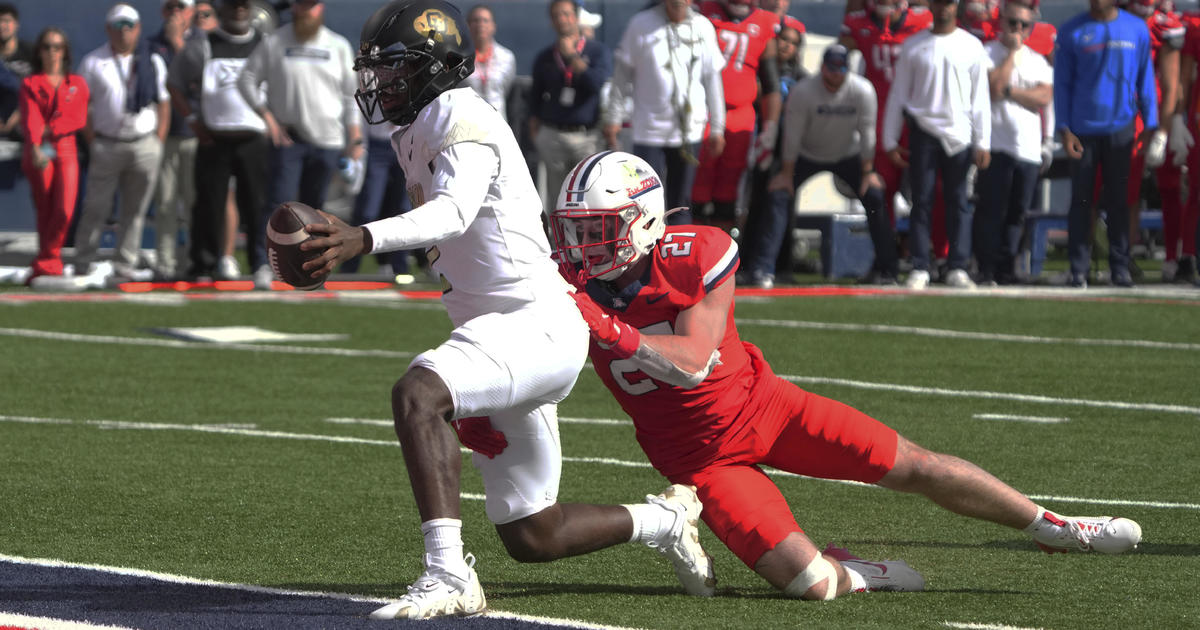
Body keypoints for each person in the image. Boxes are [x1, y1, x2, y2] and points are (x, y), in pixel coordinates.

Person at [541, 150, 1143, 599]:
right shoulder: (564, 285)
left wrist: (603, 323)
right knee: (807, 583)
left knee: (916, 465)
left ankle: (1057, 527)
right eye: (574, 229)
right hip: (701, 461)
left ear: (642, 221)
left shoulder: (697, 251)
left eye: (595, 228)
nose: (579, 245)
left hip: (767, 409)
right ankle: (862, 572)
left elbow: (695, 361)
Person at [296, 0, 713, 619]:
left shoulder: (457, 109)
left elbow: (454, 213)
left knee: (418, 394)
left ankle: (446, 573)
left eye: (392, 67)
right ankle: (664, 520)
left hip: (534, 324)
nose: (380, 82)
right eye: (376, 69)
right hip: (501, 330)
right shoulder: (415, 125)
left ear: (432, 66)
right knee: (533, 533)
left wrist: (363, 237)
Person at [237, 0, 362, 289]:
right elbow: (247, 79)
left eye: (312, 5)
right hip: (289, 140)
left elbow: (349, 96)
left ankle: (311, 272)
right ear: (293, 7)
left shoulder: (337, 45)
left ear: (321, 9)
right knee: (277, 206)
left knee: (316, 214)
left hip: (328, 140)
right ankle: (262, 267)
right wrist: (268, 119)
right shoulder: (275, 42)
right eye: (301, 5)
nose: (306, 11)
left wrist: (354, 136)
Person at [765, 45, 898, 285]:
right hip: (806, 154)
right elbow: (792, 135)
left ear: (848, 69)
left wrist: (868, 172)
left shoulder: (862, 90)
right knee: (779, 196)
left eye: (841, 68)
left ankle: (887, 269)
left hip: (848, 155)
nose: (836, 73)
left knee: (876, 196)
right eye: (831, 68)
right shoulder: (804, 92)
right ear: (822, 67)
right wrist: (786, 173)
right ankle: (766, 268)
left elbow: (868, 133)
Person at [883, 0, 991, 290]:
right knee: (922, 202)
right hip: (923, 132)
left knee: (958, 202)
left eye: (949, 3)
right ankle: (920, 266)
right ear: (931, 5)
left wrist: (984, 141)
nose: (944, 8)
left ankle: (957, 266)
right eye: (939, 2)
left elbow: (980, 98)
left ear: (956, 7)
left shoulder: (972, 46)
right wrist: (890, 138)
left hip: (960, 134)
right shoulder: (913, 45)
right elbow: (898, 94)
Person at [1055, 0, 1158, 288]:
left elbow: (1145, 78)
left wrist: (1150, 124)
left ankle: (1120, 267)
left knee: (1119, 201)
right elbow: (1062, 83)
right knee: (1082, 200)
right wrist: (1064, 128)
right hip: (1082, 129)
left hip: (1122, 128)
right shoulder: (1071, 31)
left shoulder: (1136, 29)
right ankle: (1078, 268)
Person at [169, 0, 269, 281]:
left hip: (254, 139)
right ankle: (203, 265)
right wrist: (191, 120)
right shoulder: (203, 45)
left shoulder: (265, 44)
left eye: (243, 6)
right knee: (208, 205)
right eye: (233, 5)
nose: (239, 10)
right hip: (214, 138)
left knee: (257, 205)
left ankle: (260, 263)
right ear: (221, 9)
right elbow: (174, 82)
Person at [604, 0, 726, 225]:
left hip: (689, 132)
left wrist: (718, 127)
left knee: (681, 203)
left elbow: (712, 81)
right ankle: (648, 257)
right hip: (648, 132)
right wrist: (614, 118)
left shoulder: (703, 27)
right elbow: (622, 77)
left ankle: (678, 257)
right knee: (645, 202)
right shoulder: (640, 24)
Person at [73, 3, 170, 284]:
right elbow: (82, 105)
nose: (124, 31)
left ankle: (124, 263)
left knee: (135, 209)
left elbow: (163, 103)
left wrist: (158, 140)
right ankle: (83, 261)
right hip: (107, 143)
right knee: (96, 207)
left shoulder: (151, 60)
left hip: (144, 144)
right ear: (108, 29)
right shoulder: (93, 62)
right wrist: (93, 139)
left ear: (138, 28)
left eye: (129, 25)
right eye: (118, 25)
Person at [839, 0, 932, 252]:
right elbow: (839, 55)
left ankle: (933, 254)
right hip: (879, 117)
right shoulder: (859, 23)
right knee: (881, 191)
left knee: (928, 191)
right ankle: (885, 257)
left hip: (917, 117)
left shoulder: (923, 21)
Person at [975, 1, 1052, 285]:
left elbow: (1044, 97)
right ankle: (986, 268)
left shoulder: (1038, 60)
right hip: (996, 146)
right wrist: (1010, 56)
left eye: (1024, 25)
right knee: (992, 211)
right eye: (1013, 23)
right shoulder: (986, 54)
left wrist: (1010, 91)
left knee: (1017, 215)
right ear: (1002, 23)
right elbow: (994, 89)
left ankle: (1007, 268)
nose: (1018, 30)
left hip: (1028, 150)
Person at [690, 0, 781, 233]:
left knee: (730, 188)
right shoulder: (702, 11)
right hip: (702, 111)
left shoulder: (764, 22)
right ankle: (690, 250)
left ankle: (722, 251)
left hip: (741, 113)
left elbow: (771, 84)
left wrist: (770, 129)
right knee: (695, 184)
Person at [18, 27, 89, 285]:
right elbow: (31, 118)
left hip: (66, 146)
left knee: (64, 209)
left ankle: (47, 259)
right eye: (47, 46)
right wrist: (36, 145)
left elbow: (77, 118)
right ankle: (49, 262)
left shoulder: (77, 84)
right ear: (39, 51)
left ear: (65, 51)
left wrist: (52, 129)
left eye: (57, 46)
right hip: (42, 148)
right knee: (46, 207)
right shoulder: (31, 84)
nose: (52, 52)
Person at [528, 0, 612, 212]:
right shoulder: (545, 57)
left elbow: (596, 84)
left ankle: (586, 242)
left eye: (566, 14)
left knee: (588, 193)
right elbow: (535, 95)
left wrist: (572, 57)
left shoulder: (596, 51)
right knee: (557, 196)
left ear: (576, 18)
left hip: (586, 136)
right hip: (553, 135)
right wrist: (535, 129)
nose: (561, 19)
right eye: (556, 15)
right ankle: (558, 243)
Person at [149, 0, 198, 280]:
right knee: (165, 204)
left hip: (194, 135)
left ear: (190, 12)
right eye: (170, 8)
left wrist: (177, 43)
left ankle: (192, 261)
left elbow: (196, 81)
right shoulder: (151, 44)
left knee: (193, 204)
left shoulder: (201, 41)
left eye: (181, 7)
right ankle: (165, 264)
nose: (175, 13)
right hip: (165, 135)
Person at [463, 5, 515, 122]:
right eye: (475, 20)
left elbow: (506, 90)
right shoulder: (459, 57)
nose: (481, 24)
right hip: (467, 120)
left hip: (497, 121)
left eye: (485, 20)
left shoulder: (506, 57)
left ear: (493, 26)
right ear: (467, 25)